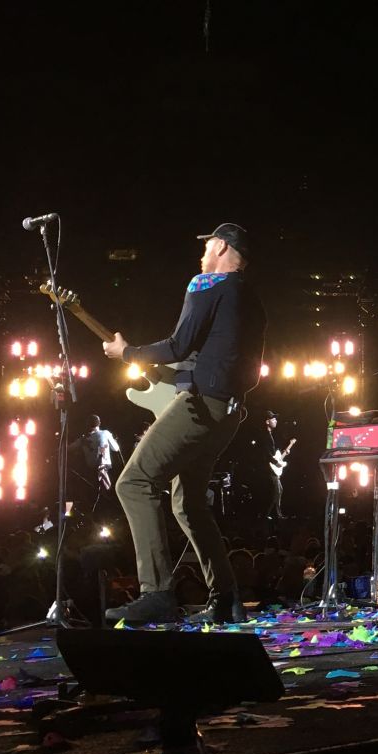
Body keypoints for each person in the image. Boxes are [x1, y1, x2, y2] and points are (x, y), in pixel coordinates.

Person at [102, 222, 266, 625]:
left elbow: (178, 344)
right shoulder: (251, 299)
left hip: (200, 406)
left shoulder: (207, 283)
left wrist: (128, 353)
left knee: (134, 482)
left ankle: (156, 592)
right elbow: (239, 368)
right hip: (228, 412)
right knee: (188, 502)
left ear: (221, 247)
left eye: (208, 245)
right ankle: (225, 597)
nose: (202, 252)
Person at [79, 415, 121, 491]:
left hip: (90, 470)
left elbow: (69, 448)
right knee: (108, 491)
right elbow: (116, 449)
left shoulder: (82, 439)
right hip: (103, 467)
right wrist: (114, 441)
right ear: (99, 423)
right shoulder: (105, 433)